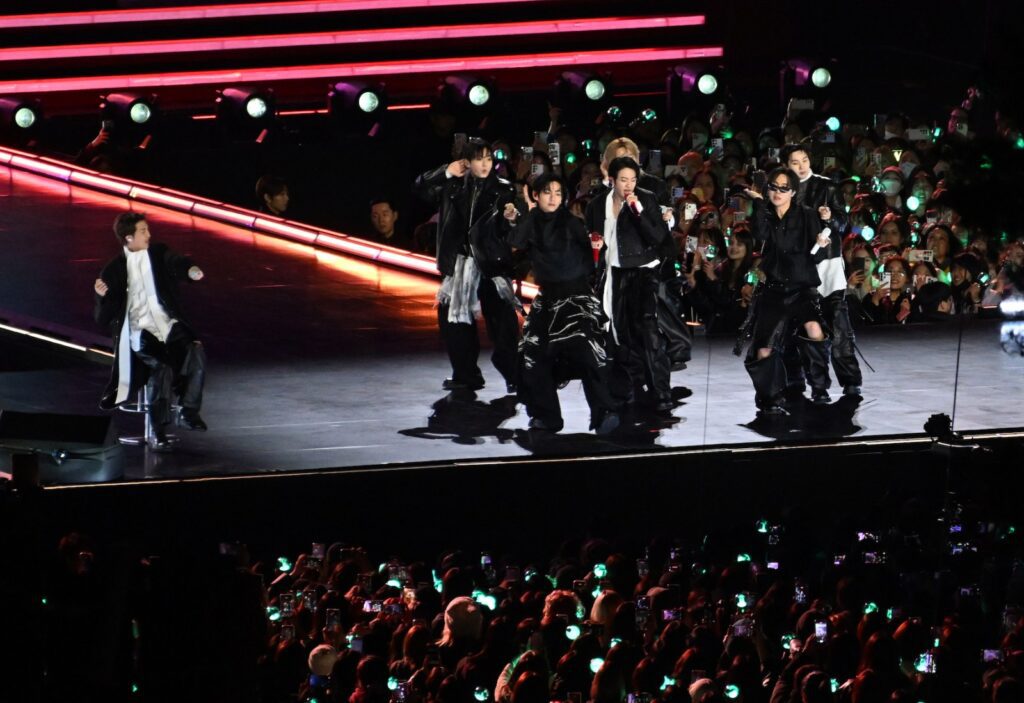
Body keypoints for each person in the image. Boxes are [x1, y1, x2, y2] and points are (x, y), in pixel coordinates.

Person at [503, 173, 619, 434]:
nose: (553, 198)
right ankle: (547, 416)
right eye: (547, 192)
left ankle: (604, 412)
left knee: (589, 351)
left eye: (558, 192)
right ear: (536, 195)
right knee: (533, 353)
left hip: (577, 296)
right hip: (547, 299)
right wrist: (525, 214)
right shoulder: (532, 221)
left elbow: (592, 257)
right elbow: (515, 242)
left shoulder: (572, 222)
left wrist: (597, 249)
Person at [94, 212, 208, 450]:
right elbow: (102, 319)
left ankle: (188, 411)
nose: (149, 234)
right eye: (143, 231)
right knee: (161, 368)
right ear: (128, 237)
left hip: (167, 324)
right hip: (139, 331)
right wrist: (102, 297)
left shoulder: (157, 253)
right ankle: (158, 429)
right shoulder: (113, 271)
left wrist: (190, 270)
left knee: (195, 349)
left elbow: (176, 261)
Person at [415, 138, 520, 393]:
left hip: (490, 263)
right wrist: (446, 171)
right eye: (478, 159)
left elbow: (509, 228)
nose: (484, 164)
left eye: (488, 159)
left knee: (503, 322)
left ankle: (514, 374)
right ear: (467, 161)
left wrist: (510, 219)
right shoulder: (451, 186)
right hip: (460, 262)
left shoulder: (504, 189)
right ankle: (466, 375)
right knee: (455, 321)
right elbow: (419, 187)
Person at [741, 167, 837, 414]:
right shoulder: (765, 214)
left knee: (814, 328)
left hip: (801, 287)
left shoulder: (806, 214)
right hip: (773, 289)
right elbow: (759, 234)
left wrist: (821, 244)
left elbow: (818, 254)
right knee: (764, 346)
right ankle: (770, 397)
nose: (778, 192)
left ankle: (819, 387)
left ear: (793, 192)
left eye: (784, 188)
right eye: (774, 187)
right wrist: (759, 203)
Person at [585, 156, 672, 411]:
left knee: (648, 330)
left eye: (633, 180)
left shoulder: (645, 198)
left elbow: (658, 236)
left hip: (644, 271)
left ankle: (661, 392)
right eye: (623, 180)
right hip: (614, 274)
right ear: (612, 180)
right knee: (622, 334)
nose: (629, 185)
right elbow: (592, 235)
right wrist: (594, 245)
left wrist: (638, 212)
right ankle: (634, 386)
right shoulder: (597, 204)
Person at [781, 143, 863, 396]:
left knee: (838, 322)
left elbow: (843, 222)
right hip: (798, 265)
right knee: (801, 325)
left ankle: (850, 379)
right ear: (786, 165)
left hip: (827, 263)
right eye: (795, 162)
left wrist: (829, 218)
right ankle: (808, 381)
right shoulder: (781, 190)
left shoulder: (826, 186)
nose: (801, 166)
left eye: (804, 160)